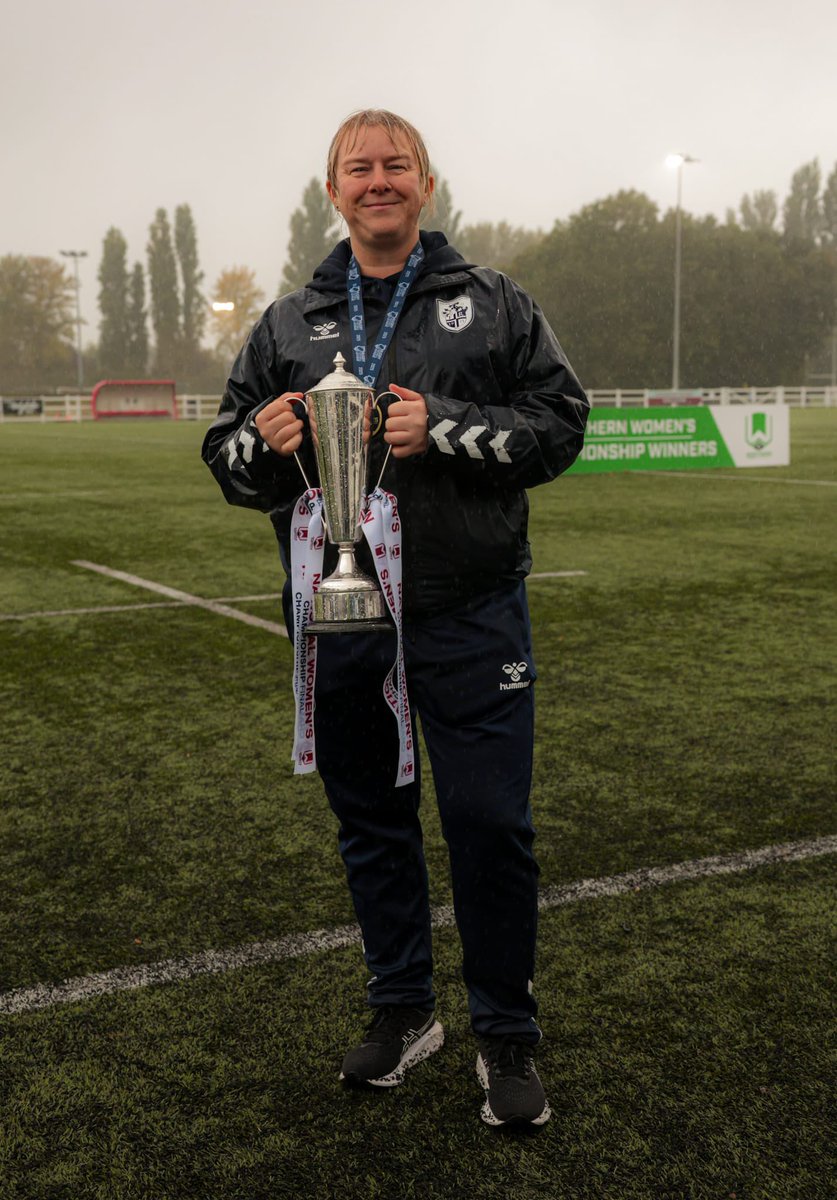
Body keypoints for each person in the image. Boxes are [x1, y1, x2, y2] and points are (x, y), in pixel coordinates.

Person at [202, 109, 589, 1128]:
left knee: (489, 826)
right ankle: (404, 1008)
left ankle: (506, 1033)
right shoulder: (289, 323)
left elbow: (562, 425)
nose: (378, 180)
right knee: (371, 826)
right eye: (358, 167)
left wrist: (449, 429)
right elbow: (226, 463)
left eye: (396, 164)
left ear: (425, 182)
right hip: (342, 616)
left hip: (470, 612)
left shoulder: (494, 303)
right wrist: (263, 436)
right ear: (334, 191)